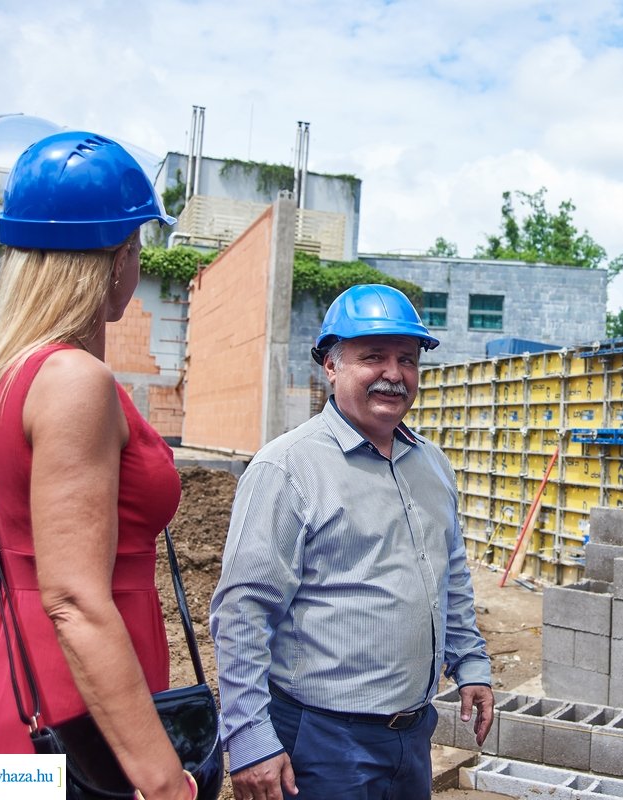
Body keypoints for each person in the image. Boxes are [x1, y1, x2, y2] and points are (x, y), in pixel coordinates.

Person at [0, 132, 199, 800]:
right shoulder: (73, 381)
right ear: (116, 258)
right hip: (72, 709)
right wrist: (161, 777)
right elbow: (74, 600)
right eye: (137, 246)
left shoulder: (11, 372)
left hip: (14, 671)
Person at [210, 284, 494, 800]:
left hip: (412, 735)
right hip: (322, 742)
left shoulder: (431, 465)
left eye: (406, 360)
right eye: (373, 357)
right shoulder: (288, 468)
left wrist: (470, 662)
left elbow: (449, 574)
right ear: (331, 366)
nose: (393, 374)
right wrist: (249, 737)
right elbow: (242, 613)